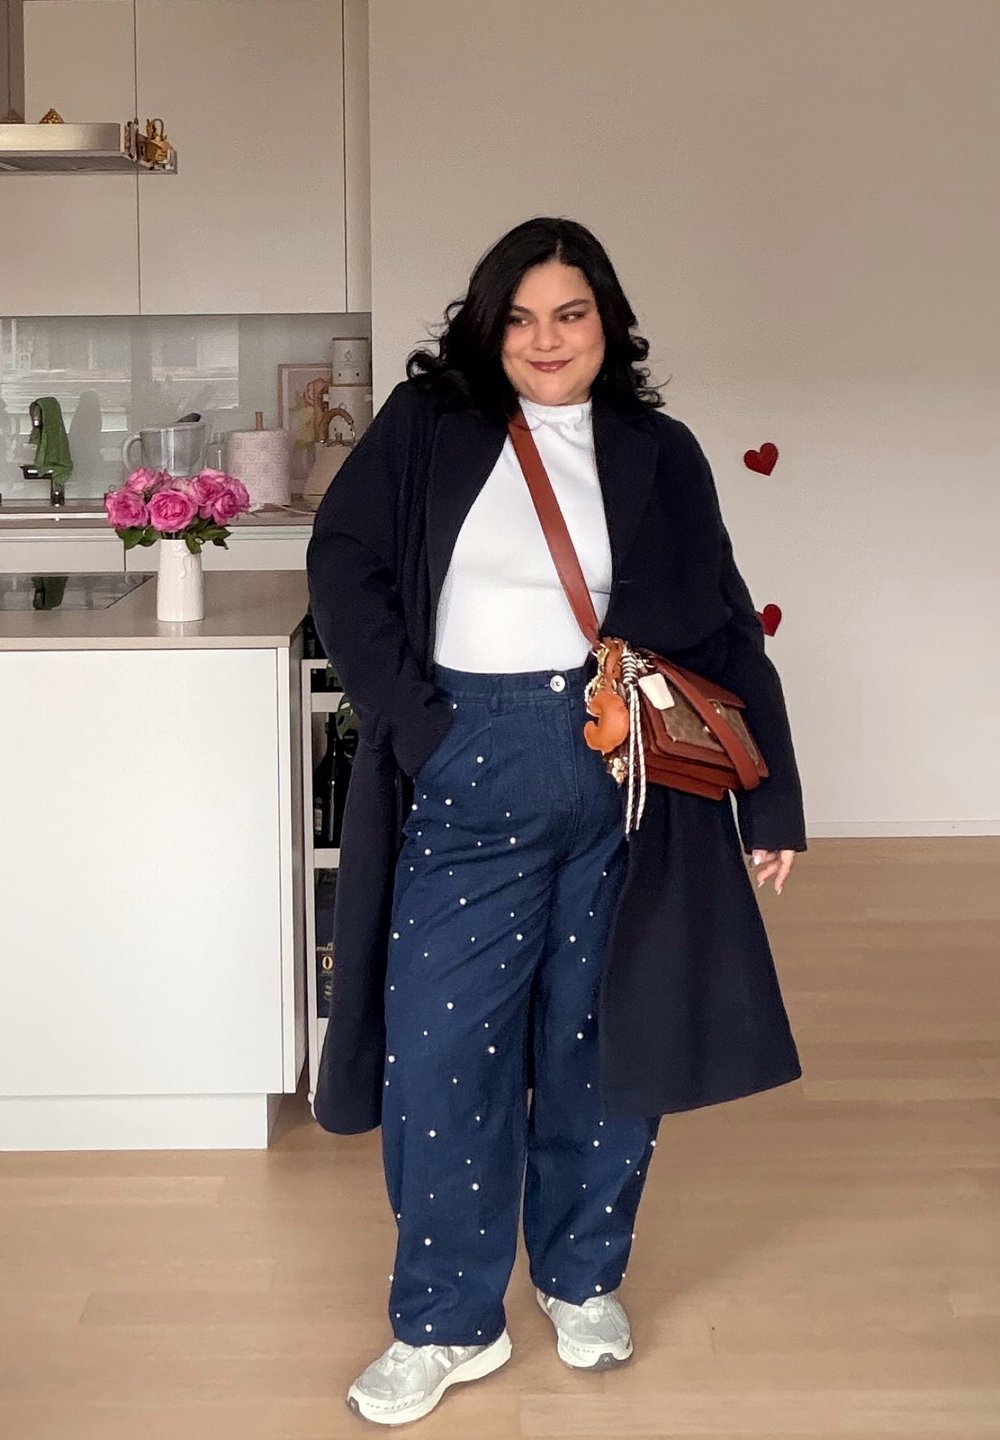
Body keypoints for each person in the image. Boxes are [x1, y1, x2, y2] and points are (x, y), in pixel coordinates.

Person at [306, 216, 806, 1426]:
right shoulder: (430, 428)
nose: (545, 340)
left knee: (600, 1035)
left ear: (606, 324)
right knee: (441, 1050)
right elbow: (343, 564)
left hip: (624, 778)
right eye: (521, 317)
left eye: (569, 314)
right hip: (468, 761)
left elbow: (720, 619)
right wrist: (422, 730)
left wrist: (771, 796)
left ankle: (582, 1276)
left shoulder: (659, 451)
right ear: (489, 328)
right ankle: (446, 1319)